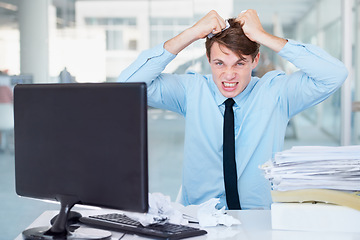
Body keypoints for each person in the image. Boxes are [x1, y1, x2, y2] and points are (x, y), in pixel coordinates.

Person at [118, 10, 348, 210]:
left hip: (259, 220)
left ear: (255, 60)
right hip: (198, 219)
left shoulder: (277, 93)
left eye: (239, 63)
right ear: (208, 59)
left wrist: (263, 36)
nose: (229, 75)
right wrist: (192, 33)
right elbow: (127, 86)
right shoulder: (192, 91)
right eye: (220, 63)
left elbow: (334, 74)